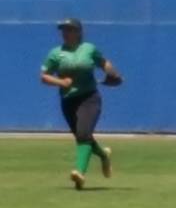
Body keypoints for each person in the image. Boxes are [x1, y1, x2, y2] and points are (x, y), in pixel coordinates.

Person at [40, 18, 123, 190]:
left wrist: (112, 73)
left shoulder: (89, 49)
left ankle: (79, 173)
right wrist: (61, 83)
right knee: (82, 136)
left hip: (89, 98)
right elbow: (44, 76)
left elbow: (104, 63)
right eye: (63, 30)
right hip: (68, 101)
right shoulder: (56, 53)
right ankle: (103, 155)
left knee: (84, 134)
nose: (65, 33)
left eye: (70, 29)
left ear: (78, 32)